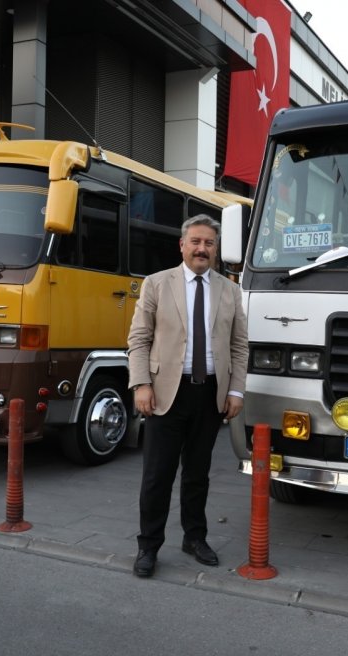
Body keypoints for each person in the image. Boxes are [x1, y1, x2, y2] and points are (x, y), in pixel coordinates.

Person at [127, 214, 249, 578]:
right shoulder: (156, 283)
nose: (202, 248)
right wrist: (141, 384)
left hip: (210, 394)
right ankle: (148, 546)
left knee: (198, 474)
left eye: (209, 243)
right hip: (165, 394)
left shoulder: (230, 290)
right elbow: (138, 339)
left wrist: (236, 389)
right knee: (157, 476)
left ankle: (194, 538)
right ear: (182, 245)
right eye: (195, 241)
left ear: (216, 249)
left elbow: (239, 345)